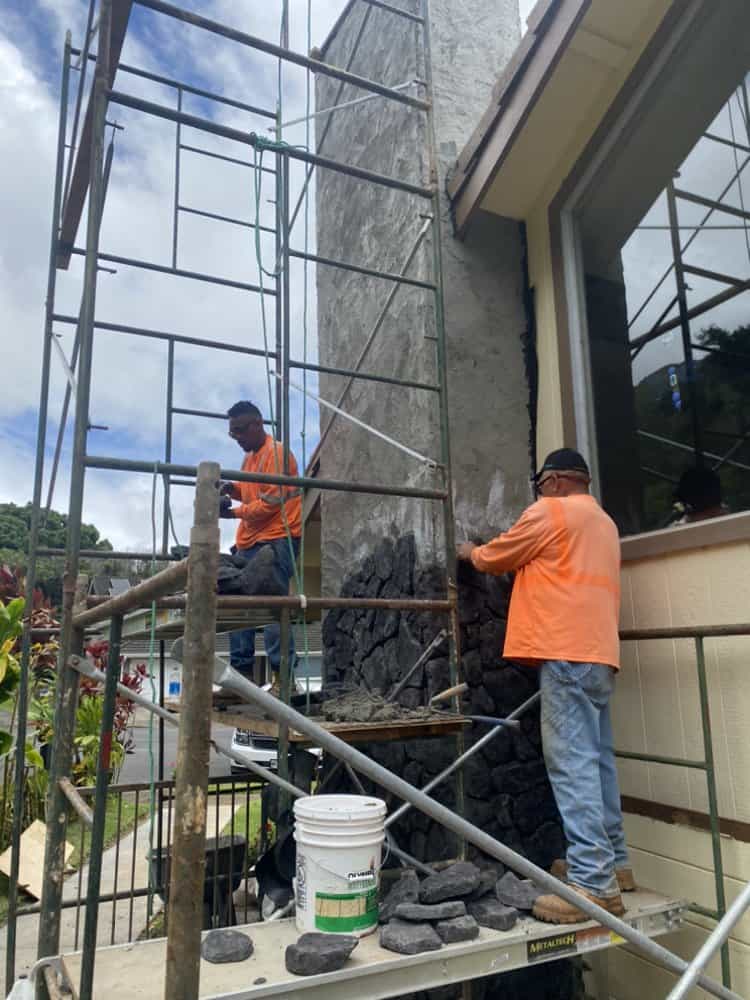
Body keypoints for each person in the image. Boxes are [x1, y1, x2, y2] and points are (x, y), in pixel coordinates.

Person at [456, 448, 634, 924]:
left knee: (572, 764)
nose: (537, 492)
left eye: (539, 485)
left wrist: (470, 554)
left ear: (554, 481)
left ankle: (595, 886)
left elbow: (500, 555)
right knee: (597, 761)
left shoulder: (550, 512)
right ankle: (614, 863)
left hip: (566, 652)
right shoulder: (604, 524)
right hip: (598, 653)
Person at [221, 401, 302, 692]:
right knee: (238, 609)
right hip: (250, 542)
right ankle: (239, 681)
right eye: (232, 434)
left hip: (277, 539)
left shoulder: (276, 453)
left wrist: (233, 513)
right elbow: (252, 491)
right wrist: (232, 489)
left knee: (272, 608)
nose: (237, 438)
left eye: (240, 431)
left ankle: (284, 681)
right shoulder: (250, 458)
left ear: (258, 424)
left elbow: (270, 502)